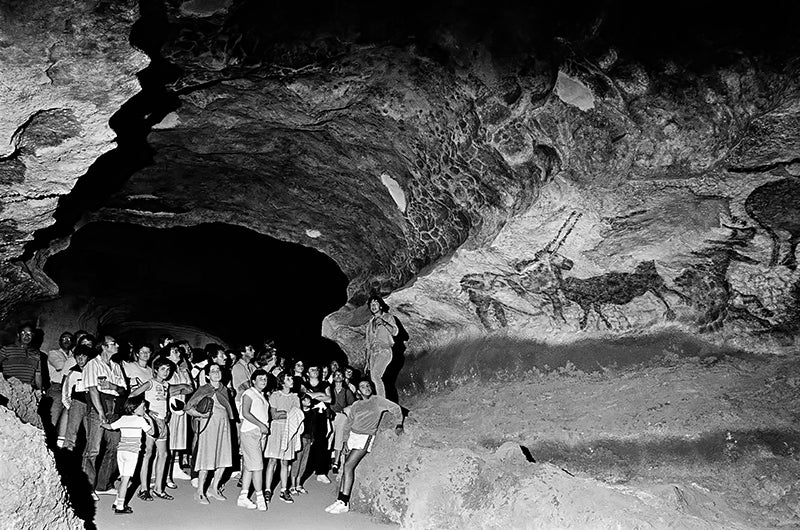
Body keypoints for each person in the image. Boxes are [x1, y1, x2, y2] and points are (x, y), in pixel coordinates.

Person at [325, 379, 404, 515]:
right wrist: (345, 441)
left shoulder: (378, 400)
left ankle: (345, 502)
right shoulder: (356, 404)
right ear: (358, 391)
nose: (366, 388)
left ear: (371, 388)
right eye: (362, 386)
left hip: (365, 437)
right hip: (352, 436)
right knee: (345, 467)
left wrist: (399, 423)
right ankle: (340, 499)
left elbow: (396, 408)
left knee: (349, 465)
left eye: (368, 386)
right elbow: (349, 423)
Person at [83, 335, 128, 499]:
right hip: (98, 406)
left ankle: (103, 484)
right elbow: (93, 389)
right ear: (103, 346)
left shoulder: (116, 366)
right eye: (113, 343)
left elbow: (123, 390)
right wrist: (100, 412)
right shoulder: (92, 364)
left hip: (115, 407)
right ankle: (87, 487)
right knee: (93, 448)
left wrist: (112, 386)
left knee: (114, 445)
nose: (117, 345)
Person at [185, 363, 235, 505]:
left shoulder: (224, 389)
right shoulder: (204, 389)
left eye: (218, 370)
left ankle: (214, 488)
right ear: (207, 375)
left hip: (224, 426)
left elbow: (228, 409)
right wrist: (201, 415)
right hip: (209, 427)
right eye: (213, 371)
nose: (216, 373)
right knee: (206, 459)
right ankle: (200, 491)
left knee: (224, 457)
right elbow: (188, 408)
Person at [130, 356, 176, 501]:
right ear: (156, 370)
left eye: (168, 369)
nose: (166, 372)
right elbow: (132, 395)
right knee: (148, 453)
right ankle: (144, 489)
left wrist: (167, 412)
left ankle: (158, 489)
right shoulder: (150, 383)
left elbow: (164, 400)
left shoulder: (166, 385)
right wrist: (146, 412)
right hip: (151, 422)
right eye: (163, 369)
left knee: (164, 455)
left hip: (162, 422)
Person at [101, 396, 154, 515]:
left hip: (121, 451)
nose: (145, 409)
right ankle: (120, 507)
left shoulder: (123, 418)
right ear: (134, 409)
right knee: (126, 480)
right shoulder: (140, 420)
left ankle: (117, 501)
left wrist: (102, 424)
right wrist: (149, 419)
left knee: (123, 477)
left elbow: (110, 427)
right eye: (143, 407)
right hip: (132, 453)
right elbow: (152, 432)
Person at [264, 372, 303, 504]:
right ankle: (267, 490)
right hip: (276, 430)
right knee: (272, 461)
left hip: (289, 430)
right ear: (282, 382)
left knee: (285, 462)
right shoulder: (275, 395)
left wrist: (284, 414)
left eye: (291, 378)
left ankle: (283, 490)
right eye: (288, 378)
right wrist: (288, 414)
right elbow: (274, 415)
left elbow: (298, 416)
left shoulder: (295, 397)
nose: (291, 380)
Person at [238, 369, 270, 511]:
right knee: (258, 466)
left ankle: (243, 497)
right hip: (250, 432)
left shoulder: (262, 395)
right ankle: (260, 497)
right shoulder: (249, 393)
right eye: (260, 378)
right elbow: (245, 413)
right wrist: (261, 425)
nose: (264, 381)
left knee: (249, 466)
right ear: (253, 381)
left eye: (265, 379)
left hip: (260, 434)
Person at [165, 343, 194, 484]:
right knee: (169, 442)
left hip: (181, 408)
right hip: (170, 408)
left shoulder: (182, 370)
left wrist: (179, 388)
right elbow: (166, 390)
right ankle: (166, 473)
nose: (178, 353)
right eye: (174, 351)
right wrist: (182, 387)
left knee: (178, 440)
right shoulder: (166, 369)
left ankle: (176, 467)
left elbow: (190, 388)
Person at [364, 295, 398, 398]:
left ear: (381, 306)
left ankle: (381, 402)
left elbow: (395, 332)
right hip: (373, 354)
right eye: (371, 305)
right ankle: (379, 399)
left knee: (376, 376)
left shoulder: (388, 317)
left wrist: (384, 323)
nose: (373, 306)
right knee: (373, 379)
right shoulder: (370, 323)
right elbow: (368, 344)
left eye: (375, 304)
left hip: (384, 350)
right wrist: (367, 362)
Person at [45, 331, 75, 445]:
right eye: (64, 339)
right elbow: (60, 366)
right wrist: (74, 360)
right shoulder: (53, 353)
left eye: (69, 339)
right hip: (57, 388)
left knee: (66, 422)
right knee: (53, 419)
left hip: (70, 389)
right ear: (59, 341)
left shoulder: (73, 355)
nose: (66, 341)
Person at [304, 365, 332, 484]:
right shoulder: (304, 384)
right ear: (307, 373)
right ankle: (304, 469)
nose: (315, 371)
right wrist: (321, 396)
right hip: (308, 415)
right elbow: (303, 397)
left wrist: (313, 395)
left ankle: (321, 472)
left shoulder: (325, 385)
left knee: (321, 441)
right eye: (312, 369)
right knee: (306, 440)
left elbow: (330, 399)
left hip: (320, 415)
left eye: (316, 369)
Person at [61, 345, 92, 451]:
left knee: (91, 434)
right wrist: (71, 407)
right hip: (77, 404)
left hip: (91, 406)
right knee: (71, 432)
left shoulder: (93, 372)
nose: (80, 359)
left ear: (88, 357)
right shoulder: (73, 372)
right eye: (78, 356)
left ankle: (87, 459)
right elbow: (66, 391)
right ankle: (67, 454)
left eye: (83, 356)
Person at [328, 369, 357, 474]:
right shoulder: (329, 389)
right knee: (329, 437)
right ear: (333, 377)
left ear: (343, 378)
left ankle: (336, 462)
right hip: (330, 415)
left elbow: (353, 404)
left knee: (339, 438)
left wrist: (345, 411)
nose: (338, 376)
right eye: (336, 375)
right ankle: (327, 460)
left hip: (340, 415)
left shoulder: (346, 391)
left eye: (340, 375)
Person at [0, 323, 43, 389]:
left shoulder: (36, 353)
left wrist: (39, 391)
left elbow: (38, 374)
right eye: (23, 333)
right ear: (18, 335)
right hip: (11, 389)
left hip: (28, 391)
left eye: (29, 334)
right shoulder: (6, 349)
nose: (26, 336)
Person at [289, 394, 313, 496]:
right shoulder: (298, 413)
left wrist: (312, 438)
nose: (308, 402)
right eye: (305, 400)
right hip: (300, 439)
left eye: (309, 400)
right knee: (296, 462)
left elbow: (313, 427)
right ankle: (292, 485)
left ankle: (299, 484)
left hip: (308, 439)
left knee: (304, 462)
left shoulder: (312, 413)